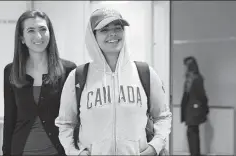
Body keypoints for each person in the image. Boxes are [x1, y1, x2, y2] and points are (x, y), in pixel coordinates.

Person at [55, 8, 172, 155]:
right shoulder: (77, 77)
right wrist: (74, 152)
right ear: (93, 36)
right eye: (104, 30)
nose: (113, 34)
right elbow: (65, 124)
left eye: (118, 28)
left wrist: (154, 147)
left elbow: (162, 116)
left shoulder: (145, 73)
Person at [2, 10, 76, 156]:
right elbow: (9, 118)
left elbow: (74, 119)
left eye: (43, 29)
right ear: (22, 38)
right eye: (31, 30)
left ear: (50, 33)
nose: (38, 36)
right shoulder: (11, 71)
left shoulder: (68, 70)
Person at [180, 56, 209, 156]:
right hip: (191, 111)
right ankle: (195, 153)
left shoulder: (195, 79)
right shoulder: (191, 79)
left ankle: (195, 153)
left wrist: (202, 108)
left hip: (193, 111)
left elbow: (201, 95)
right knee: (193, 133)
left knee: (192, 133)